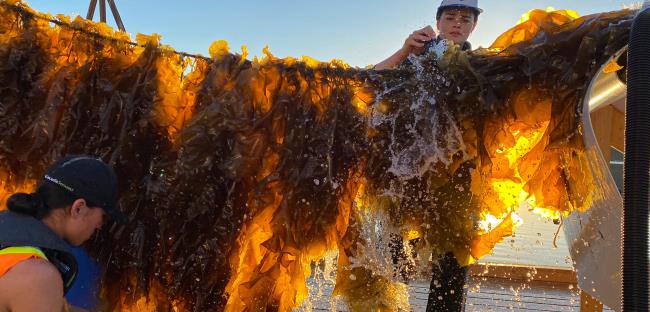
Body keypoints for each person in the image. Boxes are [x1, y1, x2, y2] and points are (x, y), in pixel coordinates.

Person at [0, 155, 127, 312]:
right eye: (103, 216)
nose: (100, 225)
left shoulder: (9, 239)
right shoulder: (38, 276)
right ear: (78, 208)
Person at [375, 0, 482, 70]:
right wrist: (402, 54)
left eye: (465, 20)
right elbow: (366, 81)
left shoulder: (480, 63)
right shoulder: (418, 50)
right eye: (450, 18)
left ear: (474, 26)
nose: (457, 24)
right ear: (438, 23)